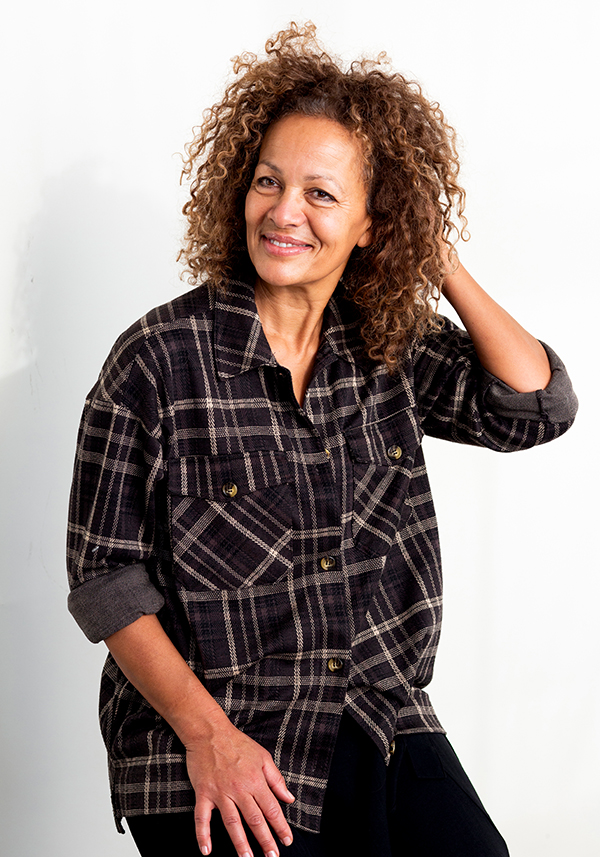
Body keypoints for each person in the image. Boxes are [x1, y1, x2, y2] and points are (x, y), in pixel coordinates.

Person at [67, 22, 577, 857]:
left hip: (372, 708)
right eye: (268, 182)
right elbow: (105, 582)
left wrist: (433, 253)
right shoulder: (157, 358)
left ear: (372, 222)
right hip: (212, 727)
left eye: (321, 194)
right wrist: (210, 737)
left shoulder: (384, 343)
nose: (284, 212)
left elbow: (534, 406)